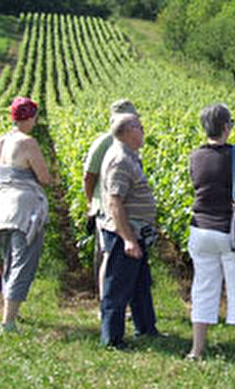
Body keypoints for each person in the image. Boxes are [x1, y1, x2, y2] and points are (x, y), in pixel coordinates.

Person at [187, 104, 235, 362]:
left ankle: (196, 350)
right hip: (232, 232)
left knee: (203, 289)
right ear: (226, 127)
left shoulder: (194, 156)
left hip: (200, 230)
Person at [0, 97, 51, 333]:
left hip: (2, 204)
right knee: (23, 261)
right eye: (34, 116)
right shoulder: (28, 143)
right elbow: (44, 178)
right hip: (23, 209)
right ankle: (8, 322)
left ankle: (11, 313)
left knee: (9, 259)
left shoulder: (3, 140)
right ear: (29, 117)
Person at [99, 113, 159, 349]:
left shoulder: (130, 157)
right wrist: (127, 239)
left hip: (136, 232)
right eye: (140, 127)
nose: (144, 130)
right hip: (125, 233)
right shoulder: (121, 160)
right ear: (128, 131)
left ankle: (146, 328)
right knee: (117, 287)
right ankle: (112, 338)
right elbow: (115, 202)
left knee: (139, 284)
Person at [83, 99, 139, 299]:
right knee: (109, 256)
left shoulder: (131, 142)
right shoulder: (104, 142)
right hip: (107, 207)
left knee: (122, 257)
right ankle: (106, 302)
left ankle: (121, 301)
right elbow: (89, 176)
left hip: (126, 207)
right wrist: (93, 202)